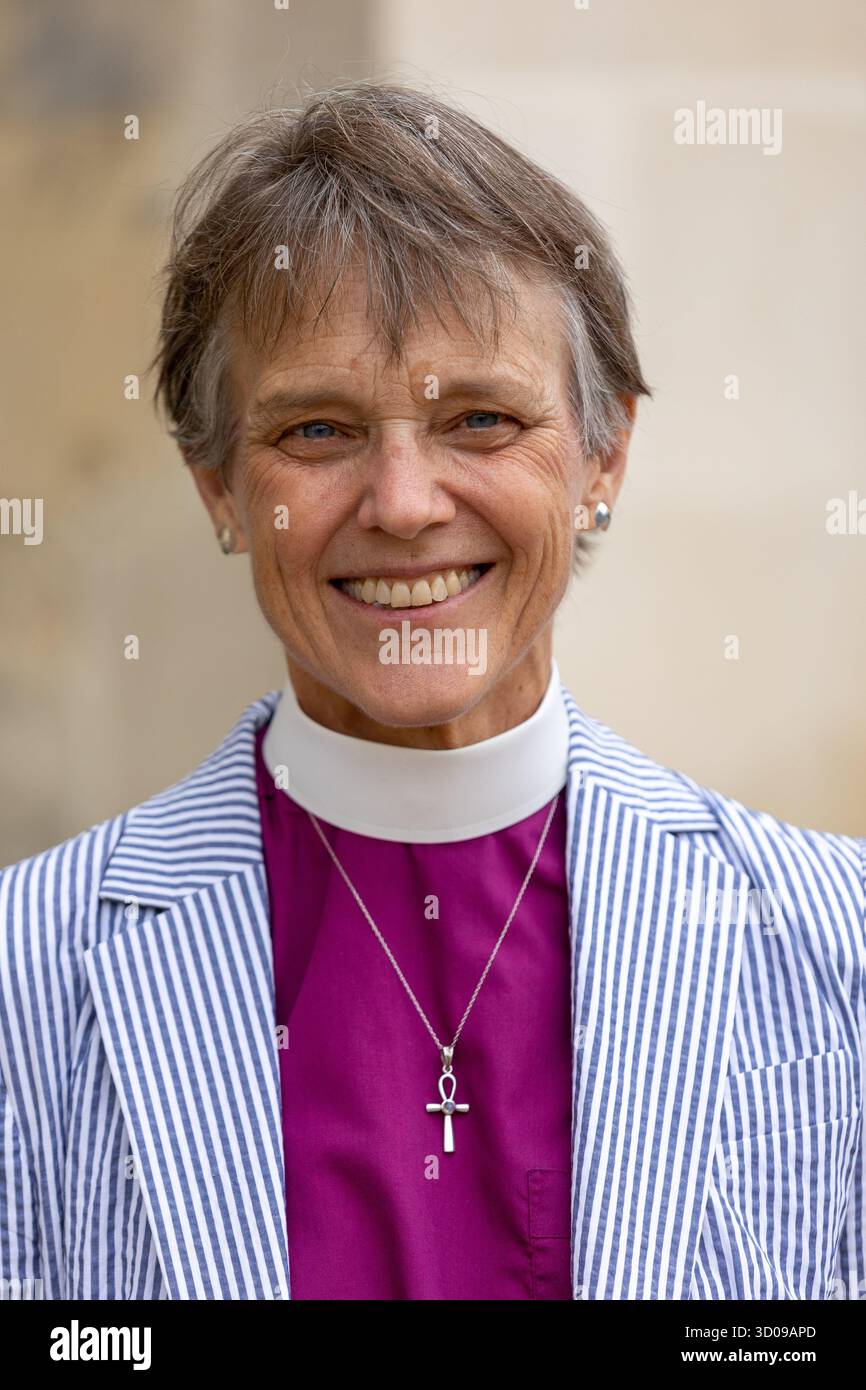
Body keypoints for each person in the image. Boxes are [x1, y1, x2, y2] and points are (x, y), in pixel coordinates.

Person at [1, 83, 863, 1301]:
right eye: (315, 432)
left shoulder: (836, 948)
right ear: (217, 488)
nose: (403, 504)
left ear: (602, 455)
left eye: (480, 418)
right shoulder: (26, 975)